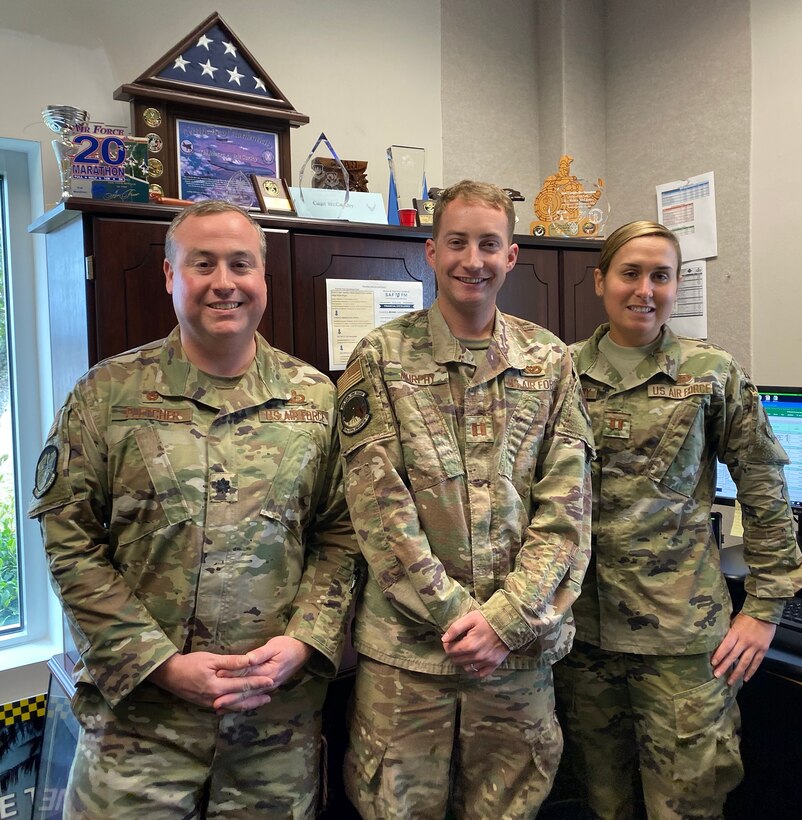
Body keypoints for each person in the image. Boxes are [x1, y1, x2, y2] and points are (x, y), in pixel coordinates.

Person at [28, 200, 359, 819]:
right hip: (142, 723)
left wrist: (305, 640)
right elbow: (66, 533)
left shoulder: (314, 399)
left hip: (274, 723)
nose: (223, 282)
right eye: (201, 264)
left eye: (240, 264)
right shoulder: (109, 394)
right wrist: (156, 662)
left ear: (263, 278)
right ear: (168, 276)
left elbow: (340, 535)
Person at [336, 179, 594, 819]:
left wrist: (504, 622)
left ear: (511, 257)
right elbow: (379, 512)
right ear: (430, 252)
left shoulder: (549, 361)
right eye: (457, 242)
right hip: (408, 662)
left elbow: (567, 511)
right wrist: (459, 619)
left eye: (488, 244)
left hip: (516, 658)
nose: (471, 260)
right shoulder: (380, 357)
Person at [553, 220, 802, 819]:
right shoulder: (557, 372)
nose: (645, 289)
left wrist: (764, 610)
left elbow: (763, 484)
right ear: (601, 281)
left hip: (682, 639)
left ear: (676, 286)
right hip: (580, 636)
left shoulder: (711, 371)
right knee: (601, 801)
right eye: (630, 273)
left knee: (687, 805)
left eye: (661, 276)